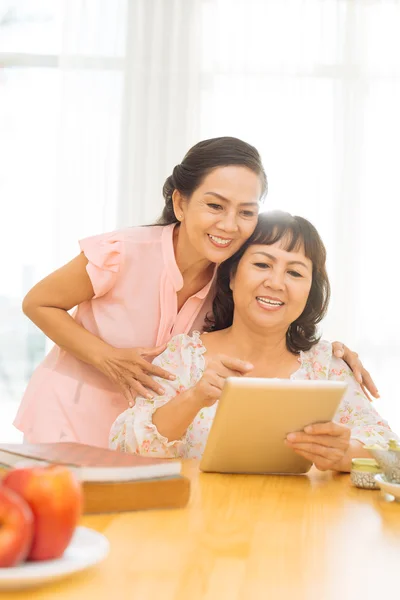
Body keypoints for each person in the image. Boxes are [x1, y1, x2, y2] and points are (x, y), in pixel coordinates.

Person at [15, 138, 374, 448]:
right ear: (181, 203)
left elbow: (269, 325)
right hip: (70, 415)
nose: (229, 225)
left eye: (246, 212)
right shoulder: (122, 252)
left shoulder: (231, 276)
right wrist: (107, 357)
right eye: (215, 206)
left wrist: (333, 355)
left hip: (147, 432)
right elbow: (38, 302)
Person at [109, 211, 396, 472]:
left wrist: (345, 453)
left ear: (310, 290)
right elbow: (125, 446)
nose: (276, 282)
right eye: (262, 264)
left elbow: (389, 452)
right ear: (232, 276)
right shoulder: (184, 357)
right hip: (195, 522)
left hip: (299, 524)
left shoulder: (327, 365)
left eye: (294, 272)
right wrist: (194, 398)